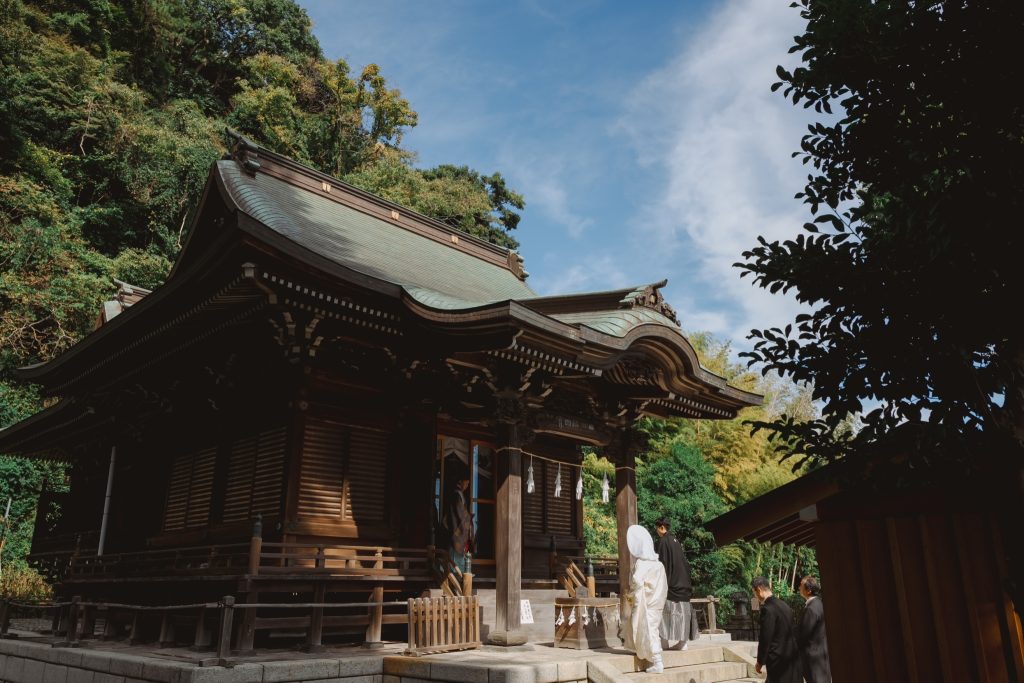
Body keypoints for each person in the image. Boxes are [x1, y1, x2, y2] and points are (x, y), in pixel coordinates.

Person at [623, 525, 669, 673]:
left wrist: (632, 594)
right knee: (652, 629)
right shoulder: (659, 564)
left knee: (647, 629)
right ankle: (649, 655)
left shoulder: (642, 563)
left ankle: (657, 661)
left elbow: (636, 581)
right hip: (657, 602)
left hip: (646, 603)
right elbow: (664, 586)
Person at [654, 517, 698, 650]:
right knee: (683, 615)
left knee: (665, 613)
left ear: (661, 527)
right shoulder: (676, 541)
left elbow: (662, 564)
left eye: (657, 527)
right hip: (684, 583)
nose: (656, 531)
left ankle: (664, 642)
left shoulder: (663, 541)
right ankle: (683, 642)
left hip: (671, 583)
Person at [751, 576, 801, 683]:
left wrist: (760, 662)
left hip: (778, 659)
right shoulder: (784, 605)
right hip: (792, 656)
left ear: (759, 590)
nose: (755, 596)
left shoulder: (767, 609)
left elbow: (765, 637)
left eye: (754, 592)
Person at [798, 576, 832, 683]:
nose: (799, 588)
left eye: (801, 585)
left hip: (813, 658)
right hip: (822, 655)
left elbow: (803, 634)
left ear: (808, 590)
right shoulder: (819, 604)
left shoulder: (811, 608)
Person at [444, 461, 473, 573]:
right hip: (456, 531)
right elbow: (459, 514)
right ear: (461, 481)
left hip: (456, 529)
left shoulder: (458, 494)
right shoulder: (456, 495)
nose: (467, 485)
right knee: (455, 560)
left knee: (456, 558)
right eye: (466, 483)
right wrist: (468, 520)